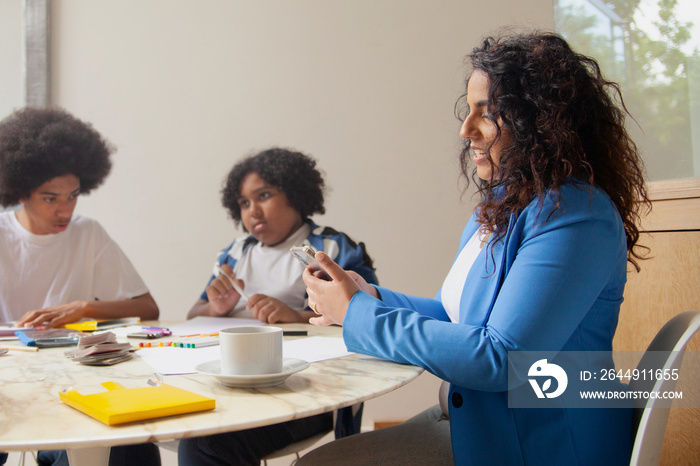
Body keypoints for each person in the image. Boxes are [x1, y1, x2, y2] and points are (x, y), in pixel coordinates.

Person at [299, 32, 650, 465]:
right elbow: (456, 318)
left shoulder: (577, 216)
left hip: (542, 446)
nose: (466, 130)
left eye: (488, 113)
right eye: (468, 112)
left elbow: (501, 358)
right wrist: (370, 299)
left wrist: (356, 314)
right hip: (484, 420)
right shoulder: (505, 206)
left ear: (541, 120)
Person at [178, 148, 378, 465]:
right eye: (244, 203)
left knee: (206, 442)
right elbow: (193, 314)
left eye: (264, 195)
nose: (253, 211)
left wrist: (296, 316)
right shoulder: (234, 252)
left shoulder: (331, 247)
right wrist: (218, 309)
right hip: (231, 379)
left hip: (308, 388)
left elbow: (371, 313)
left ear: (296, 195)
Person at [0, 107, 161, 466]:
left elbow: (148, 309)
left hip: (75, 375)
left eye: (73, 196)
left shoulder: (88, 234)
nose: (65, 211)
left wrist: (84, 307)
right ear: (21, 192)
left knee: (128, 442)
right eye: (50, 198)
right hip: (10, 380)